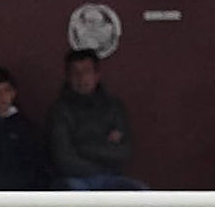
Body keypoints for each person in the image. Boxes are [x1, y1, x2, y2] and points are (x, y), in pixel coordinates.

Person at [46, 48, 146, 191]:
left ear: (97, 75)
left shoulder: (114, 107)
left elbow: (124, 152)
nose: (81, 78)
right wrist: (103, 151)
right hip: (75, 180)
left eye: (87, 72)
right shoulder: (59, 110)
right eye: (75, 73)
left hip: (112, 178)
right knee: (72, 190)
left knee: (140, 191)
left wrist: (82, 147)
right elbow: (63, 159)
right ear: (68, 77)